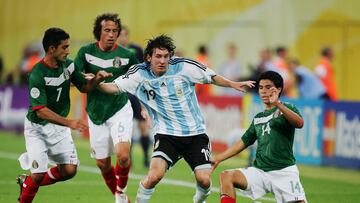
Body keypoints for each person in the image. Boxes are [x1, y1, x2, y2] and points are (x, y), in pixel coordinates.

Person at [97, 34, 255, 203]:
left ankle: (199, 200)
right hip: (167, 135)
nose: (163, 61)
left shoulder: (184, 66)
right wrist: (95, 84)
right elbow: (113, 87)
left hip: (195, 134)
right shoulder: (139, 74)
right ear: (149, 57)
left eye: (166, 56)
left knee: (204, 180)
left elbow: (212, 77)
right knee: (153, 177)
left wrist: (232, 84)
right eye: (158, 56)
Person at [16, 27, 109, 203]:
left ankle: (26, 183)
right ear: (52, 49)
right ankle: (29, 187)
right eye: (64, 47)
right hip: (38, 128)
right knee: (38, 175)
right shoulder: (37, 73)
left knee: (69, 170)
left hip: (59, 128)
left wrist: (97, 79)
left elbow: (83, 87)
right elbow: (41, 111)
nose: (68, 51)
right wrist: (69, 123)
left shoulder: (69, 65)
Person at [212, 71, 307, 203]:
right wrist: (218, 158)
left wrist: (278, 104)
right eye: (261, 88)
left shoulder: (286, 108)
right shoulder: (258, 118)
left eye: (268, 87)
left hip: (284, 172)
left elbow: (299, 123)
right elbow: (243, 142)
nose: (263, 91)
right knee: (226, 176)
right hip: (260, 172)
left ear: (278, 89)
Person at [74, 13, 138, 202]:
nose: (111, 34)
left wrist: (144, 108)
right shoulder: (85, 52)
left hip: (120, 109)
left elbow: (138, 81)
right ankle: (120, 195)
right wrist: (95, 79)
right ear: (98, 32)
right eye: (107, 30)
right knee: (102, 163)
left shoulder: (128, 56)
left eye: (115, 31)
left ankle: (121, 194)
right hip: (96, 113)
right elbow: (78, 82)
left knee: (124, 156)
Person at [117, 26, 150, 168]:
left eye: (125, 35)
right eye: (120, 35)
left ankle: (146, 157)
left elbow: (144, 69)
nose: (123, 38)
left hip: (136, 93)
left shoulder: (136, 49)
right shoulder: (114, 53)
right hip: (121, 93)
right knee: (126, 126)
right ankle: (128, 157)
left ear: (128, 36)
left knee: (142, 125)